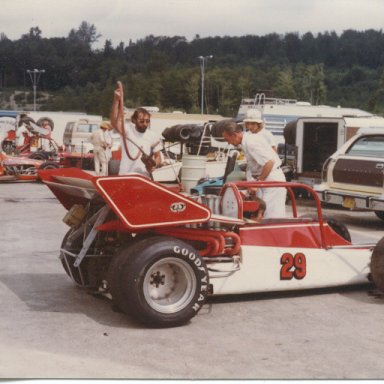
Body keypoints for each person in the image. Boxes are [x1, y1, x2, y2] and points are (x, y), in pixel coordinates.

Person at [220, 119, 286, 219]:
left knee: (270, 216)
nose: (228, 143)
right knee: (260, 213)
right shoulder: (248, 141)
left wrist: (257, 183)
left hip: (272, 179)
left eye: (227, 139)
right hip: (266, 178)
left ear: (234, 135)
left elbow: (269, 162)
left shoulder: (251, 143)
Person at [118, 107, 162, 178]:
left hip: (144, 177)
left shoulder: (153, 136)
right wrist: (116, 101)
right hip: (125, 176)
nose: (145, 124)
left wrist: (154, 165)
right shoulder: (127, 130)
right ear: (134, 120)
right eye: (141, 121)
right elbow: (114, 122)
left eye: (147, 121)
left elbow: (158, 157)